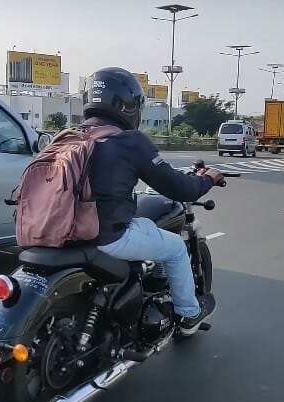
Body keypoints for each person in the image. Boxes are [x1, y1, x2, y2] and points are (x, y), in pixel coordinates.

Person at [80, 67, 223, 336]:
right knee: (175, 249)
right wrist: (208, 180)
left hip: (61, 233)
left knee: (143, 224)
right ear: (129, 104)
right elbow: (178, 186)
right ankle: (190, 314)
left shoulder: (69, 138)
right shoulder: (128, 142)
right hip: (106, 237)